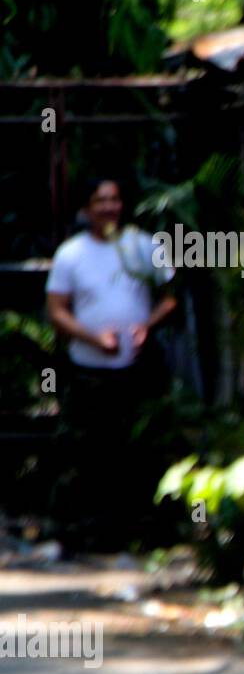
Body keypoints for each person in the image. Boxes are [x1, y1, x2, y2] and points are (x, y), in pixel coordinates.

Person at [46, 177, 176, 551]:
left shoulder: (144, 245)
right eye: (100, 200)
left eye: (115, 199)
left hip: (137, 368)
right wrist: (91, 337)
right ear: (86, 209)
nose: (108, 207)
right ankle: (87, 535)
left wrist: (146, 328)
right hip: (88, 370)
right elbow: (56, 311)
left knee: (139, 453)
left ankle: (144, 534)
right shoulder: (71, 254)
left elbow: (170, 298)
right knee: (91, 455)